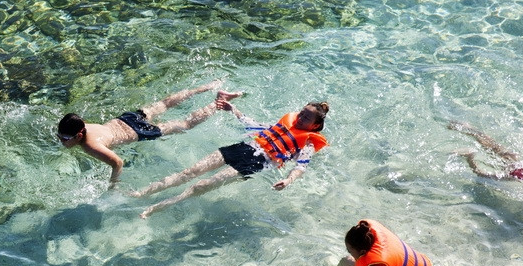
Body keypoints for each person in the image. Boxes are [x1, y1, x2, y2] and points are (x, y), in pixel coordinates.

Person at [131, 100, 329, 218]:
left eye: (306, 118)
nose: (300, 117)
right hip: (243, 148)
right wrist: (233, 110)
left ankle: (157, 207)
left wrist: (289, 179)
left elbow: (301, 166)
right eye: (301, 113)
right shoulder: (286, 124)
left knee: (201, 186)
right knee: (190, 172)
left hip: (255, 163)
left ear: (314, 126)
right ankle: (143, 193)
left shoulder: (307, 144)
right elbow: (254, 126)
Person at [57, 81, 243, 187]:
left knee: (186, 124)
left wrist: (113, 185)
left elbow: (118, 162)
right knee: (164, 103)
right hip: (126, 119)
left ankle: (219, 102)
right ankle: (207, 87)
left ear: (79, 136)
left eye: (65, 139)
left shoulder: (90, 146)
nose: (62, 141)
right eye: (60, 137)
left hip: (139, 131)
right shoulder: (82, 125)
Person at [449, 121, 523, 182]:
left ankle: (471, 130)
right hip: (522, 172)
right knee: (483, 175)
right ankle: (469, 157)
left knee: (500, 151)